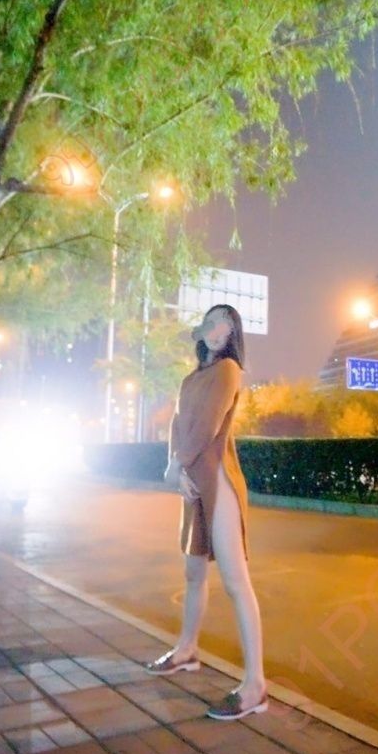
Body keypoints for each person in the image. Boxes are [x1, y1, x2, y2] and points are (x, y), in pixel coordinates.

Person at [144, 304, 268, 720]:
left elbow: (208, 427)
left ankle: (255, 686)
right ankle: (187, 650)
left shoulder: (228, 370)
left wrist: (177, 465)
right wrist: (175, 468)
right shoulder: (190, 378)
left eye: (225, 324)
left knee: (236, 581)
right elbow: (179, 426)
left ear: (231, 335)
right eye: (211, 321)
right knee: (193, 573)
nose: (216, 329)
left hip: (219, 482)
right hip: (192, 482)